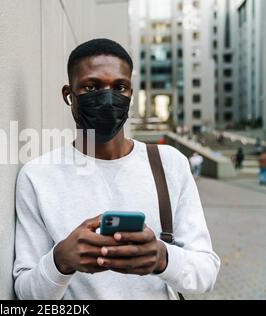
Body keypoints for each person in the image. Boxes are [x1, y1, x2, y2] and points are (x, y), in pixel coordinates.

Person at [13, 39, 220, 300]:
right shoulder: (37, 177)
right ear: (69, 95)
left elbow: (206, 272)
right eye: (91, 86)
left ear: (130, 94)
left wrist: (162, 258)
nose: (108, 99)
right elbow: (26, 292)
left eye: (119, 87)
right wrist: (60, 261)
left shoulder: (169, 164)